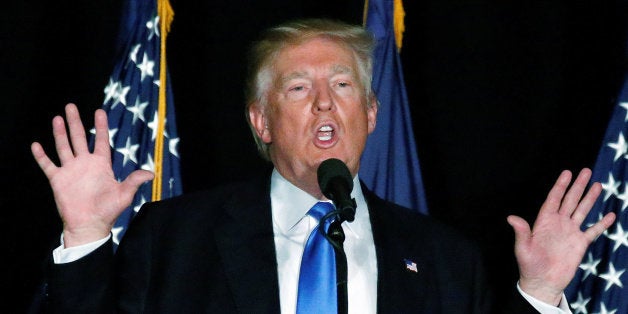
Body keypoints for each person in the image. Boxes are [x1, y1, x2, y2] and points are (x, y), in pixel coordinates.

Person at [31, 18, 615, 313]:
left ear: (370, 113)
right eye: (297, 87)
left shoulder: (443, 260)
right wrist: (85, 237)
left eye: (341, 84)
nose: (324, 102)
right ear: (260, 122)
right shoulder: (176, 239)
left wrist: (538, 294)